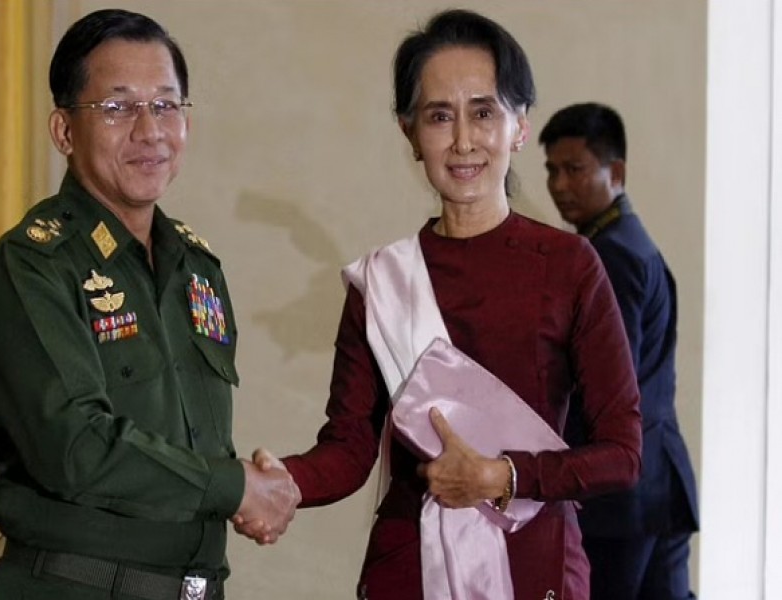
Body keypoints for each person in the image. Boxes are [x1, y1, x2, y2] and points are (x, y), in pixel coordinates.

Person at [235, 10, 642, 600]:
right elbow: (349, 449)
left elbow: (622, 455)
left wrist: (502, 476)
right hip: (409, 567)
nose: (462, 141)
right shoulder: (381, 283)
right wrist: (284, 481)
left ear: (519, 125)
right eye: (438, 116)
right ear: (409, 132)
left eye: (483, 112)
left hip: (533, 563)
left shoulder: (570, 266)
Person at [0, 9, 299, 600]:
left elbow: (184, 441)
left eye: (167, 105)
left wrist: (250, 482)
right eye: (117, 108)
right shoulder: (33, 264)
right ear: (64, 131)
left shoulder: (198, 265)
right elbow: (76, 448)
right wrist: (233, 486)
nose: (150, 130)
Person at [539, 102, 699, 600]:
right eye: (551, 171)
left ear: (617, 171)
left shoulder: (609, 254)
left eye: (575, 169)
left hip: (620, 498)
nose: (560, 185)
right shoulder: (631, 241)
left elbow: (608, 384)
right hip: (658, 483)